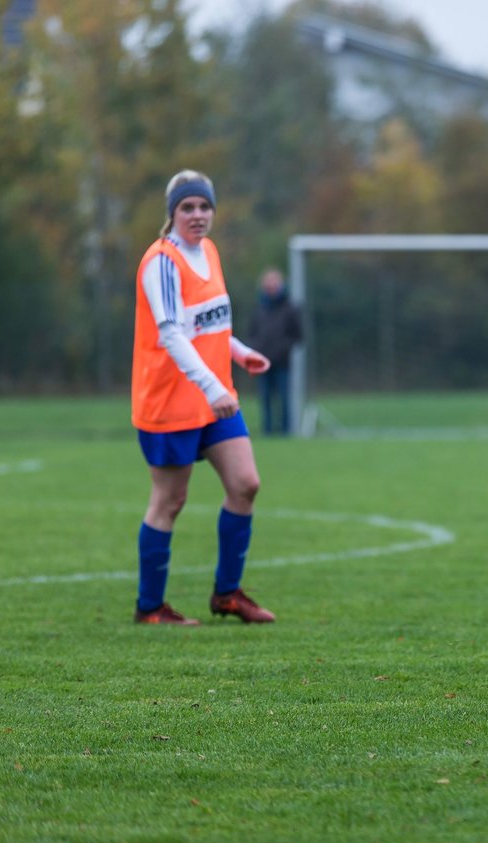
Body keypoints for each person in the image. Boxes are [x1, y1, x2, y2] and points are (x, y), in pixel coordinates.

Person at [130, 169, 277, 626]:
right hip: (172, 401)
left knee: (245, 484)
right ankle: (150, 608)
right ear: (172, 213)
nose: (197, 215)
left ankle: (227, 594)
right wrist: (213, 385)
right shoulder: (162, 262)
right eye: (187, 207)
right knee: (169, 502)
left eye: (204, 206)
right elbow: (172, 335)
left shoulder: (209, 252)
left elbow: (208, 324)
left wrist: (240, 352)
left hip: (214, 400)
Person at [246, 267, 303, 435]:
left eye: (274, 281)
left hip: (282, 362)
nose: (271, 285)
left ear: (281, 284)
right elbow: (251, 333)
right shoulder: (259, 308)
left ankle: (286, 430)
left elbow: (298, 335)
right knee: (265, 398)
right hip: (261, 362)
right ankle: (268, 430)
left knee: (284, 397)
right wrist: (256, 348)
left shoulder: (290, 308)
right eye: (268, 282)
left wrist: (282, 348)